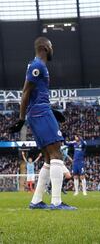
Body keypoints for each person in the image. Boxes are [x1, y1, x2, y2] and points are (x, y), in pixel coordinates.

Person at [9, 37, 76, 210]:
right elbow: (25, 92)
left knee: (48, 158)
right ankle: (56, 202)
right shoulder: (37, 66)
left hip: (40, 111)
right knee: (56, 154)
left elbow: (34, 94)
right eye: (52, 46)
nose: (53, 49)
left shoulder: (38, 66)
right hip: (39, 112)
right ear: (45, 47)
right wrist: (21, 118)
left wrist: (50, 111)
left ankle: (36, 200)